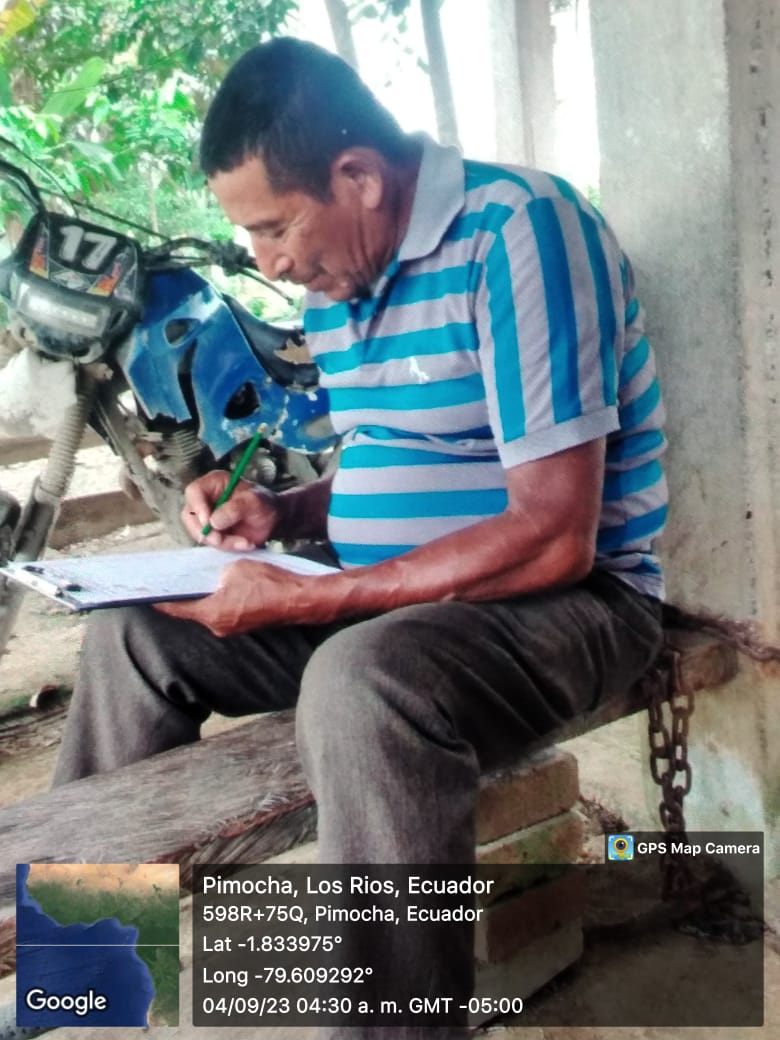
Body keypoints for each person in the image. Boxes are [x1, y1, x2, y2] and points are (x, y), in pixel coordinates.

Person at [53, 36, 668, 1039]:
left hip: (574, 603)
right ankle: (79, 979)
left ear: (359, 178)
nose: (267, 260)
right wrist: (286, 515)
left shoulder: (522, 230)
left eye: (274, 226)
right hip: (401, 607)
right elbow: (400, 458)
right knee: (137, 630)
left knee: (361, 680)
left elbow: (555, 532)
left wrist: (313, 593)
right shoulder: (340, 282)